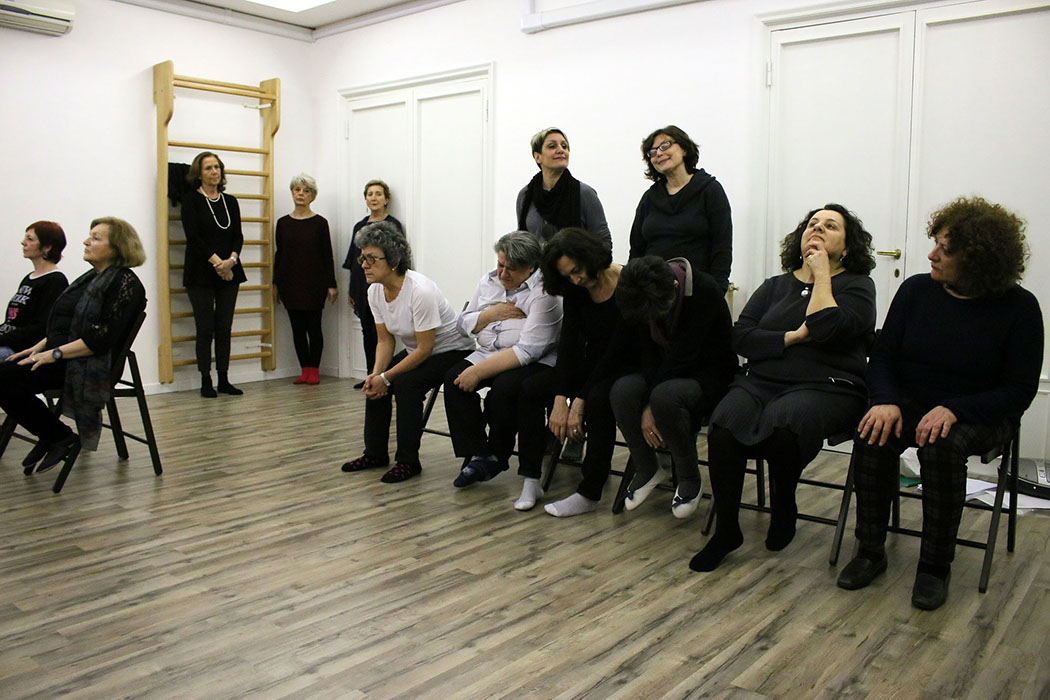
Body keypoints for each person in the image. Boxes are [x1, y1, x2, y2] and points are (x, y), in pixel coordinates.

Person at [838, 196, 1042, 610]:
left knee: (940, 447)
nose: (931, 255)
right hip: (912, 401)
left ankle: (934, 566)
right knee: (874, 434)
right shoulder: (916, 290)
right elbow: (883, 358)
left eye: (945, 250)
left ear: (978, 260)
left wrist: (956, 409)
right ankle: (870, 550)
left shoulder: (1020, 308)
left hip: (980, 410)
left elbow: (1018, 390)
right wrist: (885, 400)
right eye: (935, 244)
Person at [691, 204, 876, 573]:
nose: (817, 229)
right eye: (812, 224)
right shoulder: (775, 286)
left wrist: (821, 276)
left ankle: (784, 504)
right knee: (725, 422)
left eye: (831, 226)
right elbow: (741, 336)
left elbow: (825, 327)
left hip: (828, 386)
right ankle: (727, 530)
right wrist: (791, 338)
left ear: (847, 247)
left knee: (785, 422)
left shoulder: (857, 285)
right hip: (761, 381)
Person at [0, 217, 147, 473]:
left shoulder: (126, 284)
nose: (86, 241)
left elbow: (100, 340)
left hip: (86, 363)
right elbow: (65, 325)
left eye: (96, 238)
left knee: (4, 380)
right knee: (5, 376)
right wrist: (38, 347)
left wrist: (54, 354)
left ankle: (58, 437)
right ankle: (54, 436)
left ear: (117, 247)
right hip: (64, 356)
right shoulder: (90, 279)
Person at [339, 221, 473, 483]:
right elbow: (384, 341)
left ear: (392, 261)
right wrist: (377, 375)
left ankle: (408, 461)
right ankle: (375, 453)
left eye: (371, 259)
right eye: (362, 258)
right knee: (374, 381)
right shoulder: (375, 291)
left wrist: (387, 377)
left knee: (406, 384)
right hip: (420, 350)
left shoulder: (420, 291)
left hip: (452, 351)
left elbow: (425, 348)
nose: (364, 265)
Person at [610, 256, 737, 518]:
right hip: (664, 370)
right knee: (622, 391)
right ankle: (647, 468)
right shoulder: (641, 293)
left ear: (675, 287)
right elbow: (646, 352)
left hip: (708, 375)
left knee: (664, 397)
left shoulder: (705, 292)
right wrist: (646, 400)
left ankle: (689, 477)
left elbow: (684, 356)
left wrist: (649, 406)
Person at [443, 232, 562, 502]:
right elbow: (462, 323)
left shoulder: (545, 292)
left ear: (531, 267)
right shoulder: (489, 280)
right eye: (500, 264)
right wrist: (490, 315)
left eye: (512, 268)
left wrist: (477, 372)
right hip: (488, 351)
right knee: (453, 379)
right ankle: (480, 453)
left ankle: (499, 454)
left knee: (504, 387)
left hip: (531, 360)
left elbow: (528, 350)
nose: (503, 273)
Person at [517, 227, 624, 516]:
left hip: (624, 365)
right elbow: (569, 344)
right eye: (568, 276)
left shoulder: (626, 283)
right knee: (531, 388)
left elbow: (617, 352)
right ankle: (531, 478)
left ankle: (590, 492)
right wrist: (559, 398)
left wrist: (577, 402)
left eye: (577, 270)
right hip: (592, 363)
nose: (576, 279)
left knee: (598, 401)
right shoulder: (576, 290)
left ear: (589, 256)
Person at [629, 125, 732, 292]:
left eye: (665, 146)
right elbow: (636, 249)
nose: (658, 153)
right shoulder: (649, 198)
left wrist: (717, 290)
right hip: (653, 291)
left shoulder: (710, 190)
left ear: (684, 149)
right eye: (652, 152)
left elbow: (722, 247)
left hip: (697, 288)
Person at [182, 151, 245, 398]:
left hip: (230, 269)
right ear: (199, 173)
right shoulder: (191, 200)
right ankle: (205, 380)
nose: (214, 171)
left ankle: (224, 379)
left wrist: (231, 262)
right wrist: (220, 265)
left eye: (217, 167)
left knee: (224, 327)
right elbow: (194, 237)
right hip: (200, 273)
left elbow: (238, 236)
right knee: (205, 328)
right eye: (208, 168)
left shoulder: (230, 201)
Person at [274, 173, 338, 385]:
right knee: (297, 329)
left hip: (314, 284)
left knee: (314, 326)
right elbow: (279, 254)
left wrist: (331, 284)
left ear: (313, 196)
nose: (301, 194)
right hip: (289, 283)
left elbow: (327, 255)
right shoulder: (283, 223)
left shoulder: (320, 223)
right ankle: (304, 370)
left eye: (306, 190)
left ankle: (314, 370)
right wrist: (275, 283)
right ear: (292, 193)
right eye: (297, 189)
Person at [343, 179, 404, 389]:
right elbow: (353, 261)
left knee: (385, 333)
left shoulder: (393, 225)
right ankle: (371, 373)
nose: (374, 198)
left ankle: (385, 375)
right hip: (362, 286)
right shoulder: (359, 226)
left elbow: (399, 257)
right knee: (367, 331)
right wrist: (351, 289)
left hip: (385, 284)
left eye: (378, 194)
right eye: (370, 194)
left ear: (386, 199)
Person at [516, 127, 611, 249]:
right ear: (537, 157)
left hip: (576, 261)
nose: (560, 150)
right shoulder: (525, 195)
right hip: (536, 261)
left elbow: (604, 242)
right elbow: (522, 242)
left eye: (564, 146)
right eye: (552, 146)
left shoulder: (584, 193)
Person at [0, 222, 68, 361]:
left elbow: (40, 328)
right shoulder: (28, 278)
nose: (23, 243)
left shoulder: (55, 281)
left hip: (18, 350)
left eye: (30, 239)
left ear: (47, 247)